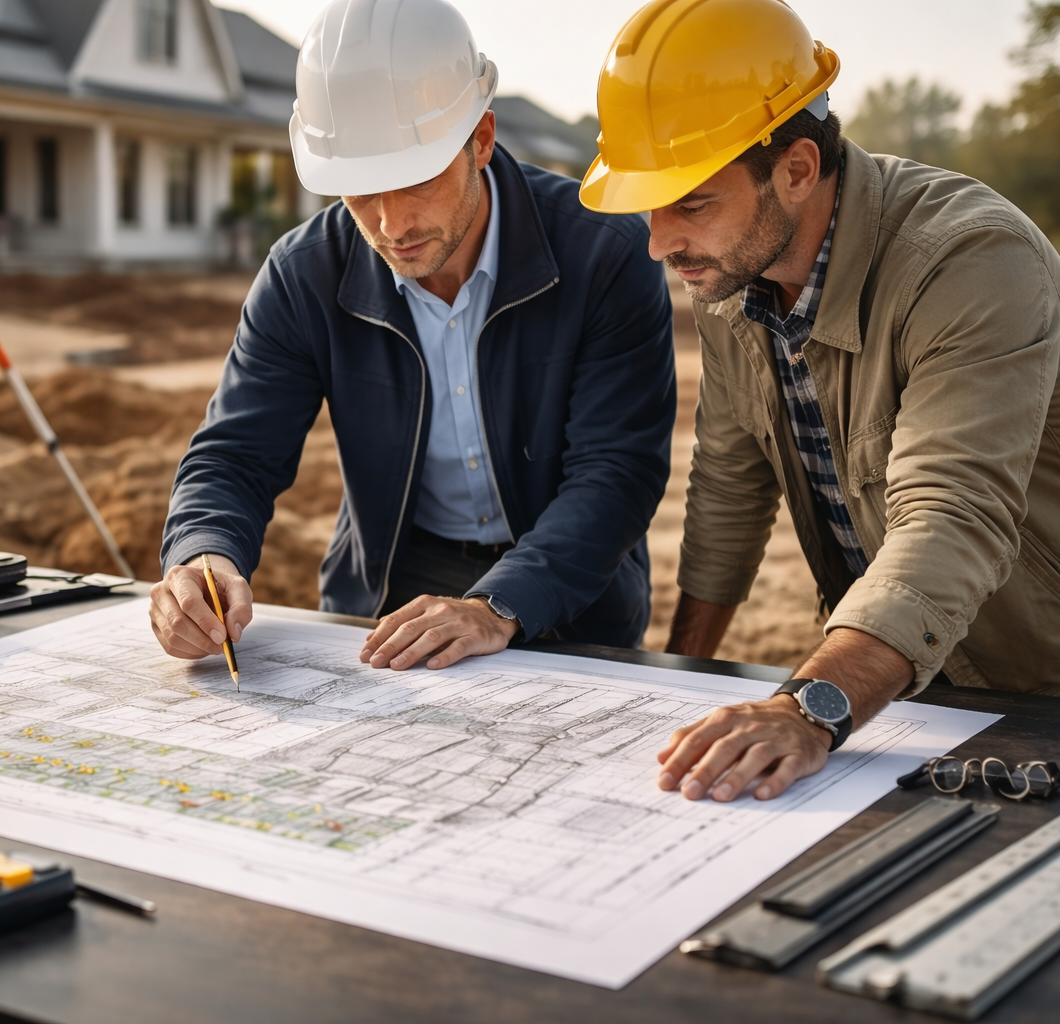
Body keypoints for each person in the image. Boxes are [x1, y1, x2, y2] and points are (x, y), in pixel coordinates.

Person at [580, 0, 1060, 802]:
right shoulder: (729, 278)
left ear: (798, 169)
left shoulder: (970, 260)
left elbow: (952, 513)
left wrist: (809, 709)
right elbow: (731, 488)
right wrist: (685, 677)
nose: (659, 242)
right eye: (650, 205)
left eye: (692, 203)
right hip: (904, 679)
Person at [149, 0, 675, 672]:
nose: (392, 223)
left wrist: (499, 605)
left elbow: (616, 473)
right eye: (360, 190)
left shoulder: (602, 251)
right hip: (388, 587)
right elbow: (235, 455)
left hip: (572, 594)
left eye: (415, 180)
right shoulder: (303, 273)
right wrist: (203, 553)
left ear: (480, 139)